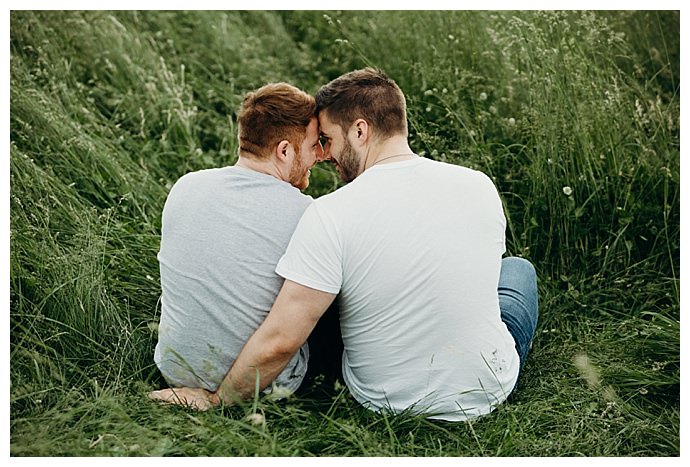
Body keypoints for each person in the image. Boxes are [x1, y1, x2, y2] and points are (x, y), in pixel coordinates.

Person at [150, 68, 539, 422]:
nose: (324, 156)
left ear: (360, 131)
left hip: (380, 397)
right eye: (317, 143)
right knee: (517, 270)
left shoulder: (326, 212)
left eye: (328, 140)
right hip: (485, 388)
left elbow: (281, 332)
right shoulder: (478, 185)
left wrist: (217, 398)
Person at [152, 82, 329, 397]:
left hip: (175, 368)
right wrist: (218, 400)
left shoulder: (186, 186)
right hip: (266, 385)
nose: (320, 155)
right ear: (284, 150)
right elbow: (287, 338)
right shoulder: (308, 214)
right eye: (314, 145)